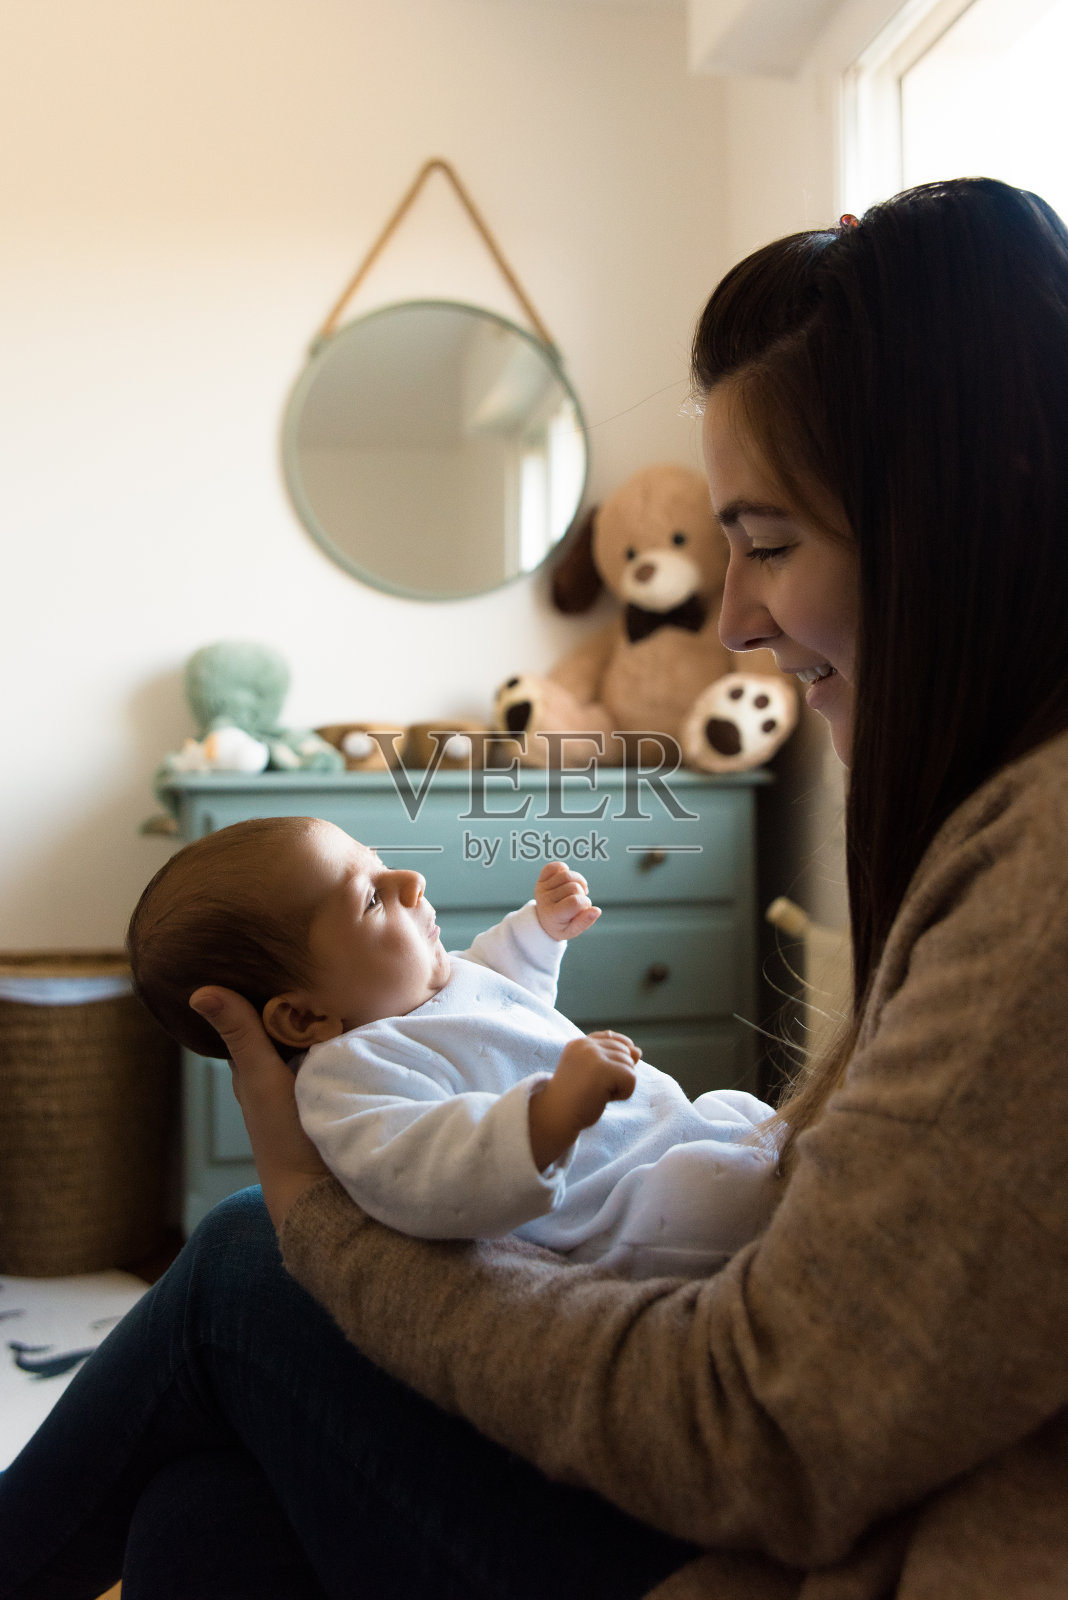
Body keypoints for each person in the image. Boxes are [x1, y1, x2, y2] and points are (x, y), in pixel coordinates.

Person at [2, 175, 1067, 1599]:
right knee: (200, 1525)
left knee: (246, 1268)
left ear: (963, 510)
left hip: (775, 1525)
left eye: (766, 544)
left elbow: (765, 1421)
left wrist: (323, 1233)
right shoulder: (1003, 827)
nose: (737, 616)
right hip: (771, 1452)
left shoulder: (1040, 872)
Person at [127, 819, 778, 1277]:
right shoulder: (350, 1076)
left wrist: (540, 931)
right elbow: (428, 1174)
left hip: (671, 1130)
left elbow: (494, 985)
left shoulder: (432, 984)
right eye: (372, 899)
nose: (410, 882)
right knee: (719, 1194)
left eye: (383, 863)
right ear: (302, 1015)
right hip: (627, 1214)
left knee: (745, 1116)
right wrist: (552, 1114)